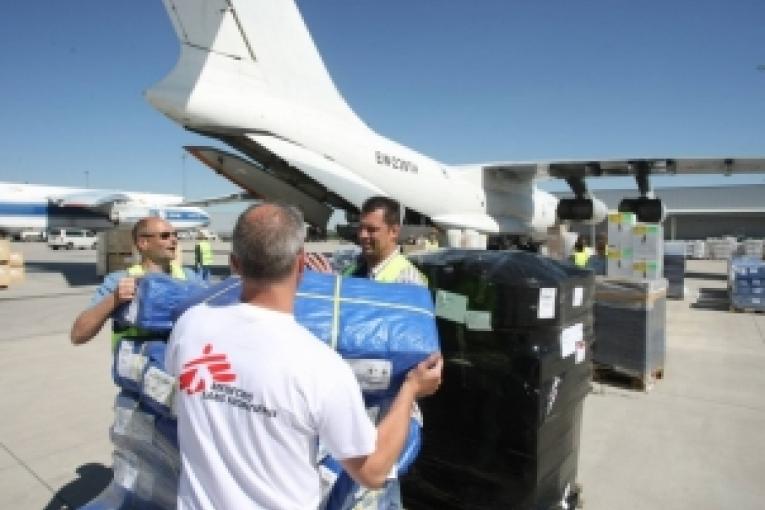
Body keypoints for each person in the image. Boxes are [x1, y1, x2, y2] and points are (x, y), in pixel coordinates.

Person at [165, 203, 443, 509]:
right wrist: (410, 390)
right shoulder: (321, 368)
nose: (363, 235)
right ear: (301, 266)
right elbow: (373, 471)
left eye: (371, 229)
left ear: (234, 264)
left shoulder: (190, 325)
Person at [70, 217, 200, 347]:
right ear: (143, 243)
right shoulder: (120, 280)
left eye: (175, 235)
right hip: (137, 359)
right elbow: (78, 335)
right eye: (165, 236)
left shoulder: (190, 278)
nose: (174, 240)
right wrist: (115, 298)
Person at [306, 196, 427, 285]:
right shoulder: (352, 265)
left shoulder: (408, 281)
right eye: (361, 228)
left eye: (372, 229)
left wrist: (332, 288)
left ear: (394, 232)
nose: (362, 235)